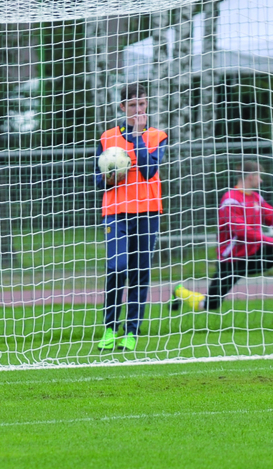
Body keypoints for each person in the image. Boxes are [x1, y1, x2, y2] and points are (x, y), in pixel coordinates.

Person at [171, 160, 273, 312]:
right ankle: (179, 291)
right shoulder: (231, 200)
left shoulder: (256, 198)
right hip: (232, 261)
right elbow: (242, 232)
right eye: (258, 176)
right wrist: (270, 240)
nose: (260, 180)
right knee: (210, 305)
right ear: (250, 177)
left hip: (253, 255)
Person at [95, 83, 167, 352]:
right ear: (123, 107)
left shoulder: (157, 136)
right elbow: (98, 179)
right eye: (133, 105)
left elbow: (149, 171)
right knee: (117, 267)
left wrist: (137, 137)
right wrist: (110, 176)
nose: (139, 109)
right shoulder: (108, 137)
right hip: (115, 212)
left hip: (148, 211)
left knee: (139, 273)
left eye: (142, 104)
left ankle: (131, 332)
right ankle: (110, 328)